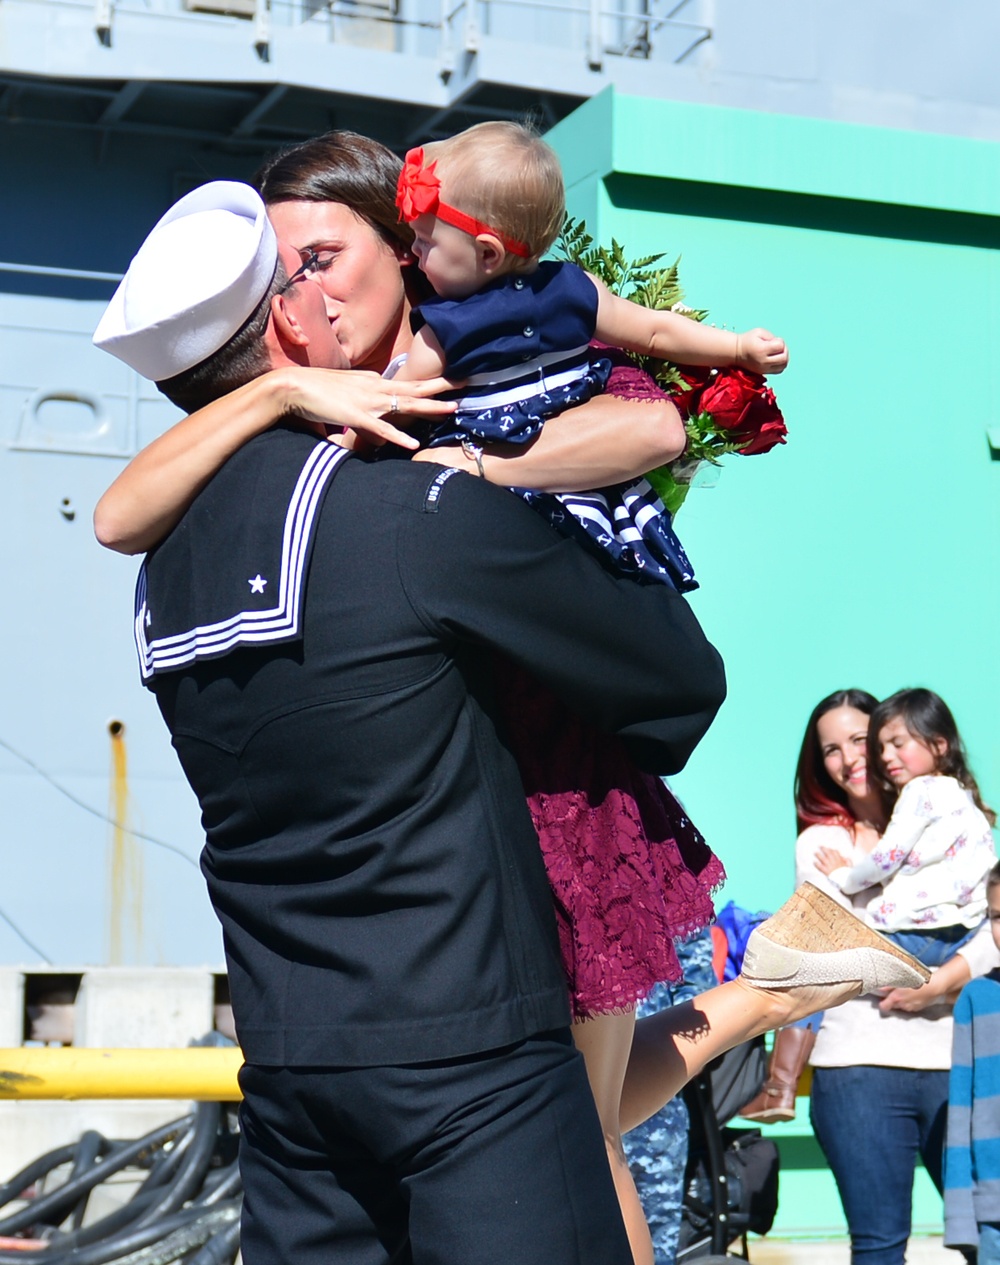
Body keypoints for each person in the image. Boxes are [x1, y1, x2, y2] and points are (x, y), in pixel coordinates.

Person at [90, 180, 924, 1265]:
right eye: (299, 274)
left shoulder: (166, 565)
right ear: (287, 324)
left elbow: (127, 517)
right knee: (596, 1142)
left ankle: (769, 985)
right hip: (469, 1055)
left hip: (293, 1070)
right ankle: (769, 985)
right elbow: (674, 680)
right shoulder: (411, 508)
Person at [392, 121, 788, 591]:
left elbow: (393, 405)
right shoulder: (576, 290)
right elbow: (654, 331)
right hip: (593, 486)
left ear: (488, 253)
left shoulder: (443, 329)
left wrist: (339, 449)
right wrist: (736, 346)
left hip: (496, 491)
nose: (412, 253)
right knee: (601, 576)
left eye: (425, 241)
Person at [781, 689, 998, 1265]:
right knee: (879, 1248)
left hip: (957, 1065)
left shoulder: (948, 822)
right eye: (831, 749)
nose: (850, 758)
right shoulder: (823, 845)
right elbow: (841, 948)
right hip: (859, 1069)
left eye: (864, 740)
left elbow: (990, 927)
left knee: (990, 1234)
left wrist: (944, 978)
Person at [815, 688, 996, 968]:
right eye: (881, 747)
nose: (886, 756)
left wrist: (844, 876)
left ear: (939, 745)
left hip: (918, 933)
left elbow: (887, 856)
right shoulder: (964, 795)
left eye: (898, 744)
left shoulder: (919, 791)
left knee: (828, 957)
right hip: (964, 931)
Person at [944, 861, 1000, 1261]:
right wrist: (961, 1218)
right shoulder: (976, 999)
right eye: (997, 916)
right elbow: (960, 1116)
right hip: (994, 1216)